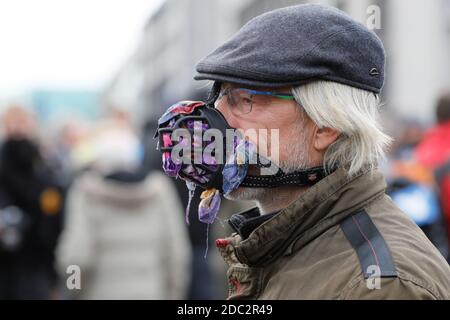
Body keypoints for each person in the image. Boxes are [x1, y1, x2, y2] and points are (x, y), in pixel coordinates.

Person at [186, 4, 450, 299]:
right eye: (218, 97)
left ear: (325, 125)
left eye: (244, 100)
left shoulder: (380, 285)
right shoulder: (279, 246)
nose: (215, 118)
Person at [55, 118, 191, 299]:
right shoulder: (160, 189)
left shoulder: (84, 191)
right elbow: (177, 255)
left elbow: (76, 258)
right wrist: (173, 294)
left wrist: (73, 289)